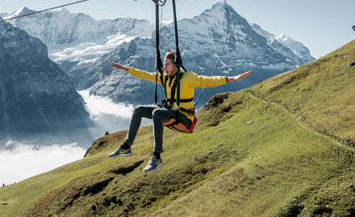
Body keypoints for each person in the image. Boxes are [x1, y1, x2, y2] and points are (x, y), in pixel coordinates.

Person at [107, 50, 251, 172]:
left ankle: (157, 157)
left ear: (175, 65)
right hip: (171, 112)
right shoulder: (165, 78)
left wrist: (232, 79)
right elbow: (146, 75)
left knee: (156, 113)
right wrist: (125, 69)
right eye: (164, 63)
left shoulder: (188, 78)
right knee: (138, 110)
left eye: (167, 64)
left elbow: (207, 81)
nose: (164, 66)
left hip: (184, 117)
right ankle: (126, 147)